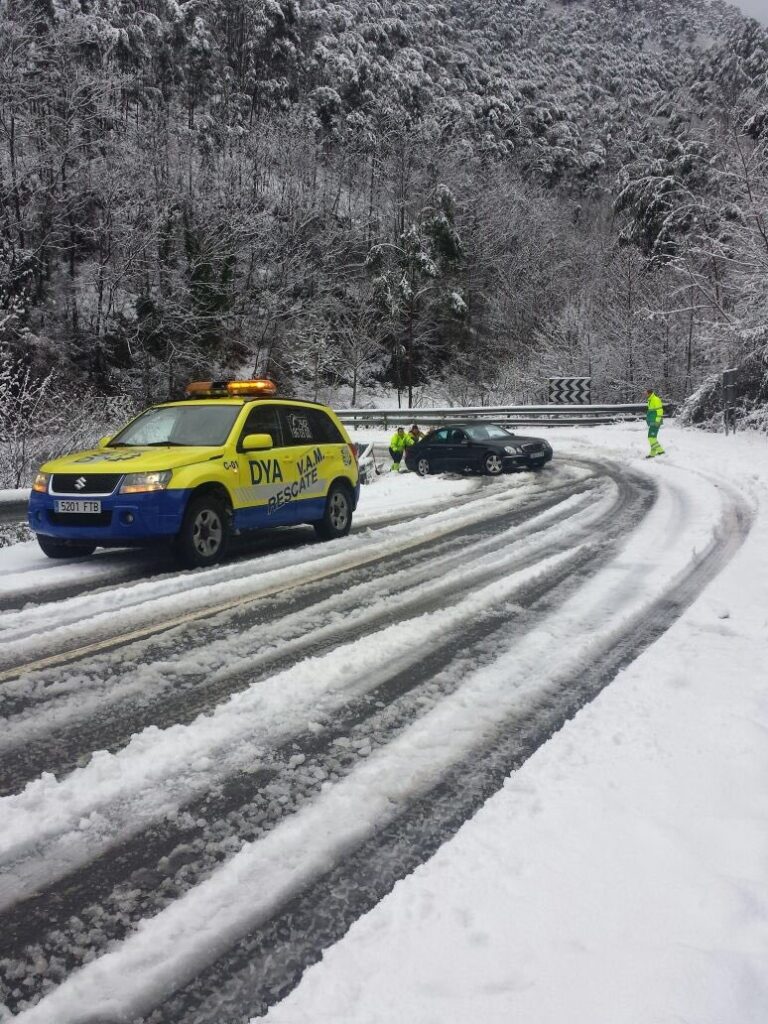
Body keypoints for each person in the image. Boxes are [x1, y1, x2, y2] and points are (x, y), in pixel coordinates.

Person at [645, 387, 665, 458]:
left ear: (649, 393)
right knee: (653, 438)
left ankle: (661, 451)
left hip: (655, 422)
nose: (645, 394)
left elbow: (660, 410)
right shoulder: (650, 400)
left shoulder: (655, 399)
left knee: (651, 437)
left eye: (646, 393)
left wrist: (657, 421)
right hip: (652, 421)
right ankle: (652, 454)